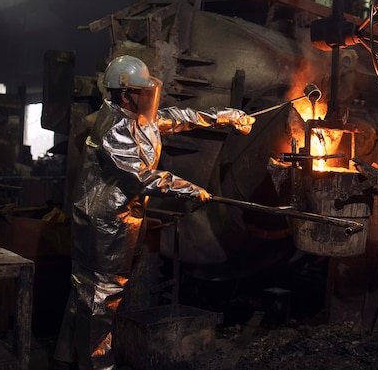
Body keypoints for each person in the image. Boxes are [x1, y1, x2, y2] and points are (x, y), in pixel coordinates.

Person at [53, 55, 255, 370]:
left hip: (121, 219)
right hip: (104, 223)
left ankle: (65, 357)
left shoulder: (134, 116)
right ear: (124, 93)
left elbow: (175, 117)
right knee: (100, 297)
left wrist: (223, 117)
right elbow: (140, 177)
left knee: (88, 291)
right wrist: (191, 190)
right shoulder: (114, 128)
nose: (149, 97)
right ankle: (97, 365)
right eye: (143, 91)